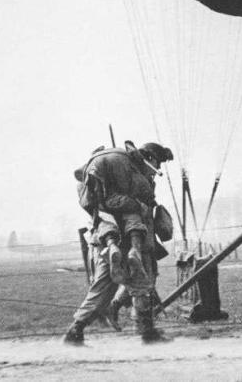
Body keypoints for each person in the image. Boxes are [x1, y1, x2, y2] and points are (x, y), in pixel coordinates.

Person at [64, 141, 173, 345]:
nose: (158, 169)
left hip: (107, 242)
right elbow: (139, 213)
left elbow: (102, 208)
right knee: (142, 285)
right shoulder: (137, 182)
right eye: (158, 163)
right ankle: (147, 333)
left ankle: (74, 331)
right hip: (135, 243)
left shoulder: (117, 182)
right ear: (149, 158)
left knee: (101, 290)